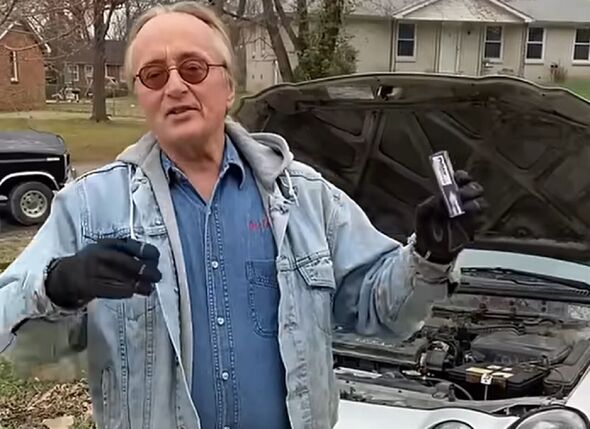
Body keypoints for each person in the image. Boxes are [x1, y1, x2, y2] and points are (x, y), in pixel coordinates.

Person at [0, 2, 486, 428]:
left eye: (193, 68)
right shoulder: (90, 207)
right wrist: (59, 284)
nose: (174, 86)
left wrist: (429, 257)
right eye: (154, 75)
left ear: (228, 86)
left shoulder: (306, 197)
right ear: (140, 95)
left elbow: (381, 311)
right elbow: (21, 344)